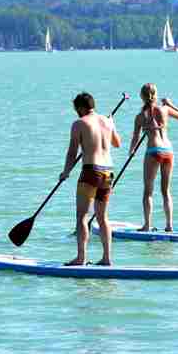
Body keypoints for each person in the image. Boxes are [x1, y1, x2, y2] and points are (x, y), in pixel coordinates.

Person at [60, 92, 122, 266]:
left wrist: (66, 172)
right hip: (108, 172)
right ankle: (107, 258)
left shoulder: (79, 123)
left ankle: (81, 258)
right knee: (103, 217)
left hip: (91, 171)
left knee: (82, 217)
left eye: (75, 109)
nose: (75, 113)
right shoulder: (107, 121)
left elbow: (72, 152)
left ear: (81, 108)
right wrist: (111, 125)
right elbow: (117, 143)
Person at [131, 82, 178, 232]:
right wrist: (170, 104)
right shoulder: (165, 109)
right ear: (155, 95)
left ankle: (147, 225)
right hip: (168, 150)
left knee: (148, 191)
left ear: (141, 97)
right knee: (165, 190)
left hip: (153, 151)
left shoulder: (139, 117)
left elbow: (135, 139)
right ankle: (169, 225)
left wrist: (132, 151)